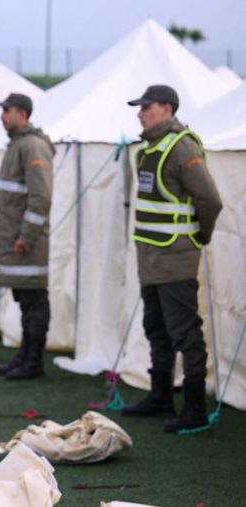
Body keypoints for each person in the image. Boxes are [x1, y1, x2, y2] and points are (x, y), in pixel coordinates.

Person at [121, 85, 223, 432]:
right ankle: (160, 396)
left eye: (146, 107)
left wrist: (200, 237)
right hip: (150, 259)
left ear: (166, 109)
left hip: (175, 257)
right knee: (156, 329)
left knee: (185, 333)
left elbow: (210, 200)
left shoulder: (182, 147)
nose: (140, 113)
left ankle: (194, 408)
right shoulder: (146, 150)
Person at [0, 93, 55, 381]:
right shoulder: (19, 145)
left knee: (34, 299)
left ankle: (34, 360)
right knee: (24, 298)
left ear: (23, 113)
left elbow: (40, 197)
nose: (2, 115)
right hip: (14, 239)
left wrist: (27, 236)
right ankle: (25, 355)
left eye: (7, 110)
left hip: (26, 242)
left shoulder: (32, 146)